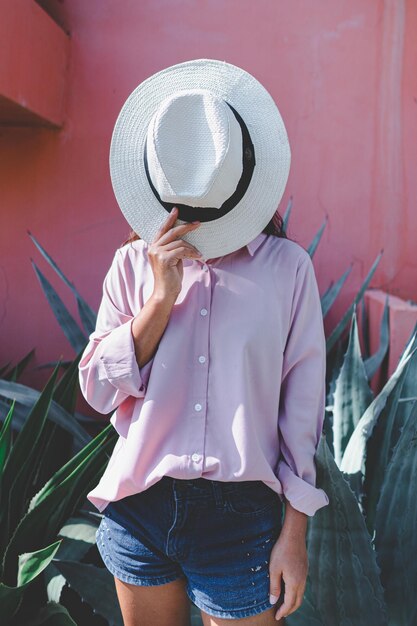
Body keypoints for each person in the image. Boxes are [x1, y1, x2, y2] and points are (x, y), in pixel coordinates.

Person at [78, 59, 330, 626]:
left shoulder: (288, 270)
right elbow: (94, 390)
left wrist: (295, 533)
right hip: (141, 503)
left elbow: (302, 413)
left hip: (243, 518)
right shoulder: (131, 266)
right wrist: (160, 300)